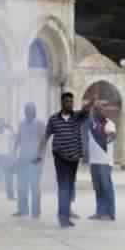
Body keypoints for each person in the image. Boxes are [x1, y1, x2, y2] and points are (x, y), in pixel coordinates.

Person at [36, 92, 92, 228]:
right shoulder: (54, 119)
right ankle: (63, 217)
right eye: (67, 101)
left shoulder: (77, 117)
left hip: (74, 157)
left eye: (71, 102)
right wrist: (39, 153)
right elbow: (46, 135)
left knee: (69, 186)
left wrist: (92, 101)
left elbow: (85, 110)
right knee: (63, 186)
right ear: (62, 103)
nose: (69, 104)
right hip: (60, 156)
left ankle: (65, 215)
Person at [12, 102, 45, 218]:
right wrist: (13, 153)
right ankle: (22, 210)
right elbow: (18, 139)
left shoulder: (39, 124)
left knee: (34, 187)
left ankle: (36, 211)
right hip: (23, 159)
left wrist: (40, 157)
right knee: (21, 186)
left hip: (35, 160)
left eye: (31, 110)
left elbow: (43, 141)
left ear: (34, 111)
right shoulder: (21, 124)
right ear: (25, 112)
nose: (29, 112)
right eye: (27, 110)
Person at [86, 101, 117, 221]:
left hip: (105, 162)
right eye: (95, 110)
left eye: (100, 109)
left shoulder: (109, 123)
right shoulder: (91, 124)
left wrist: (106, 139)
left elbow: (112, 135)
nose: (97, 112)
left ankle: (110, 213)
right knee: (98, 188)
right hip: (94, 161)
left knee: (106, 187)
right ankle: (100, 212)